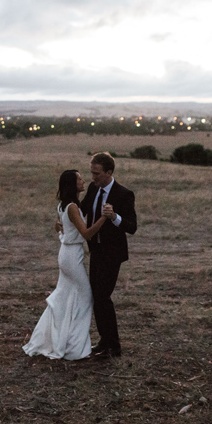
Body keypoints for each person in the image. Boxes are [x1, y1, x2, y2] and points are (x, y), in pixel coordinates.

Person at [23, 170, 107, 360]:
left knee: (66, 298)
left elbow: (63, 227)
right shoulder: (71, 207)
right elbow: (86, 234)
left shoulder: (64, 206)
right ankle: (75, 347)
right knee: (85, 298)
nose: (83, 180)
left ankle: (63, 340)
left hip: (69, 254)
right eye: (79, 178)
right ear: (71, 183)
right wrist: (104, 217)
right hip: (70, 257)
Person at [81, 152, 136, 359]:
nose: (93, 178)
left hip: (112, 253)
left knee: (103, 296)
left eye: (96, 174)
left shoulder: (123, 194)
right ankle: (105, 341)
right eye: (91, 173)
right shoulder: (93, 189)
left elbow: (132, 227)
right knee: (97, 297)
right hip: (95, 250)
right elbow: (82, 209)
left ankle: (114, 346)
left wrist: (115, 217)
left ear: (109, 172)